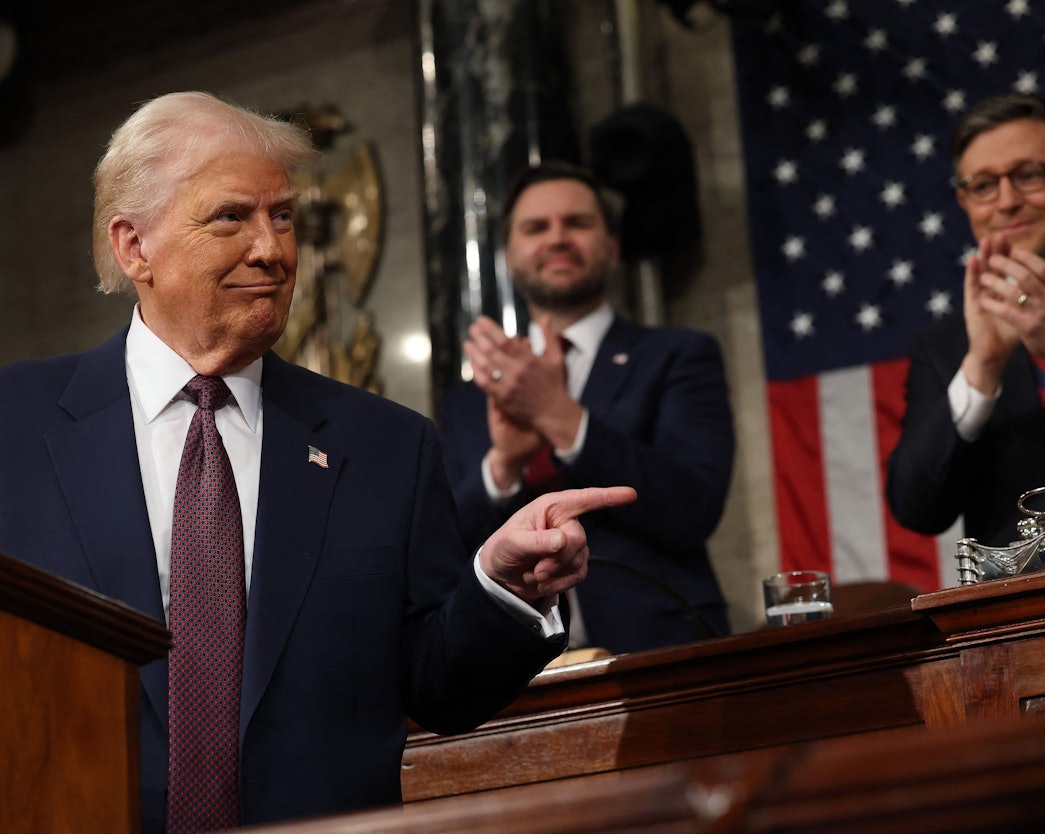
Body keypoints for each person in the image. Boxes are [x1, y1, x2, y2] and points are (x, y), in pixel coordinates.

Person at [0, 92, 635, 833]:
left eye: (283, 216)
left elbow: (439, 687)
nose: (272, 249)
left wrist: (502, 588)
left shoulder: (386, 447)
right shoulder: (16, 426)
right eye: (230, 217)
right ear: (133, 246)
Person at [436, 160, 735, 655]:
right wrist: (502, 466)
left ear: (612, 248)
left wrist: (561, 418)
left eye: (576, 223)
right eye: (536, 227)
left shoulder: (678, 356)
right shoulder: (467, 401)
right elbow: (441, 550)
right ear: (508, 257)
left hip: (662, 653)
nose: (557, 238)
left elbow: (693, 508)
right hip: (510, 669)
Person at [887, 92, 1045, 548]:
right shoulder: (946, 344)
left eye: (1028, 175)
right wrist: (981, 370)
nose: (1006, 202)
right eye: (984, 185)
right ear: (965, 202)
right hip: (1015, 594)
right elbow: (916, 508)